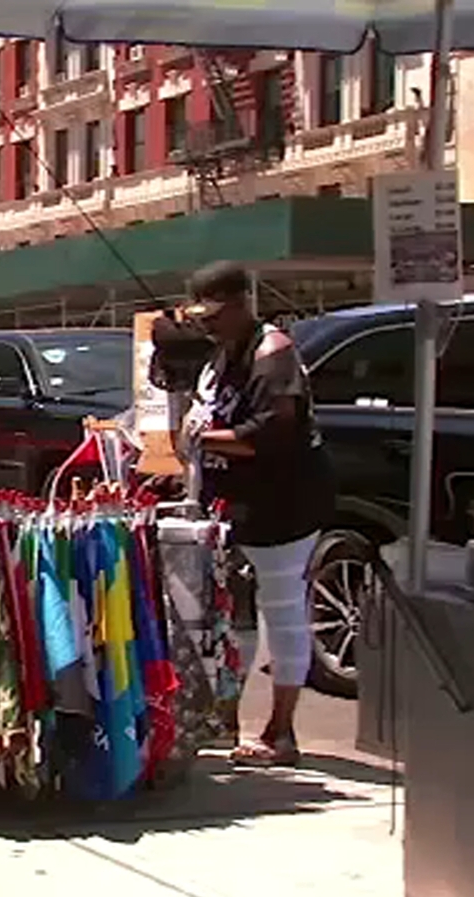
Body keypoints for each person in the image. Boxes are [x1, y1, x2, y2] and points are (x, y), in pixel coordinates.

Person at [181, 260, 335, 767]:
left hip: (282, 504)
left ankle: (281, 733)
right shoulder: (221, 355)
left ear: (242, 302)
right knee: (232, 614)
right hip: (234, 505)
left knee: (283, 609)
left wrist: (204, 439)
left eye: (214, 314)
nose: (208, 325)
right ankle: (226, 720)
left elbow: (272, 433)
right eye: (201, 317)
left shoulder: (273, 354)